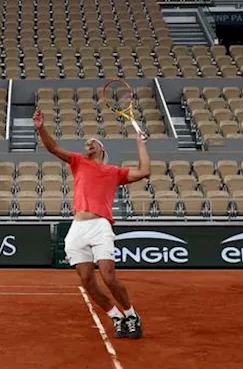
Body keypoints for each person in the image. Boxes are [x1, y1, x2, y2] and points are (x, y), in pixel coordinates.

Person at [35, 108, 149, 340]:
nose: (88, 143)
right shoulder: (78, 162)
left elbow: (145, 171)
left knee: (108, 276)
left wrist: (141, 143)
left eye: (93, 142)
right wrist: (41, 129)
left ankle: (132, 315)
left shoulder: (113, 172)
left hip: (99, 226)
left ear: (102, 149)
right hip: (77, 227)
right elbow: (52, 148)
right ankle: (117, 317)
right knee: (87, 281)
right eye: (87, 142)